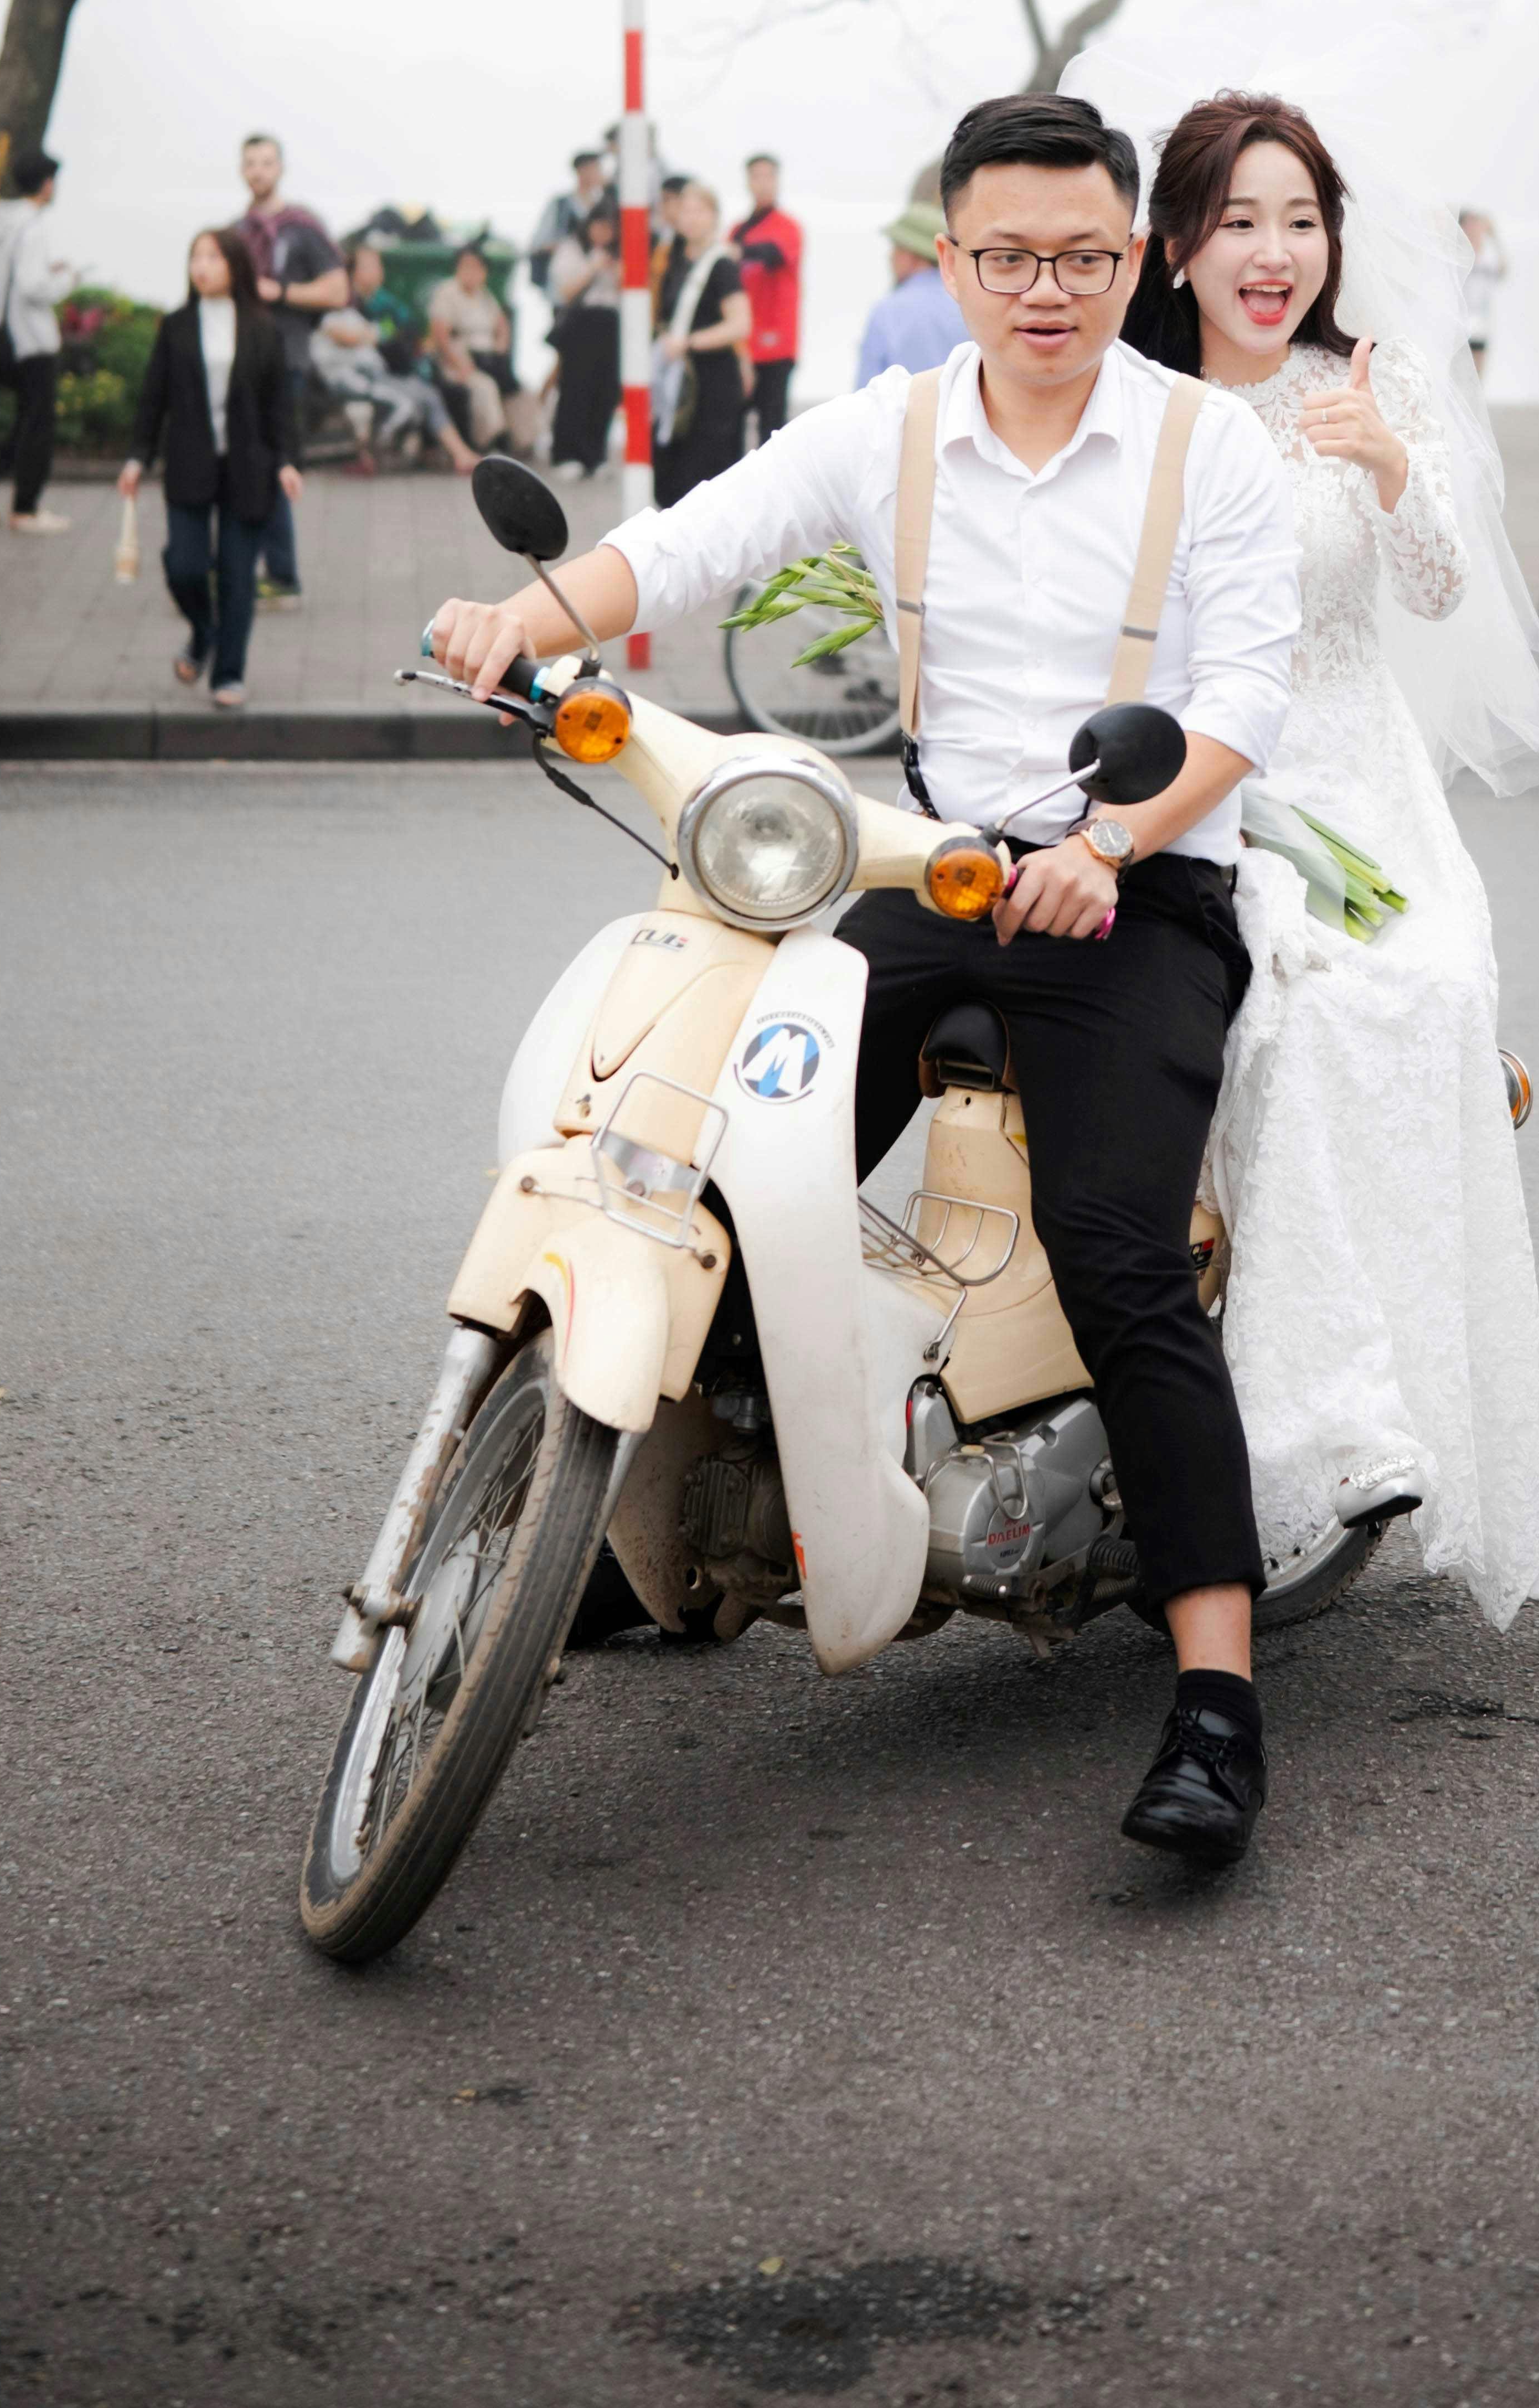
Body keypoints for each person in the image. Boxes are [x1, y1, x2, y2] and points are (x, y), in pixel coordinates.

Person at [430, 90, 1301, 1870]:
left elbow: (1242, 703)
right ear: (950, 260)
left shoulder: (1206, 449)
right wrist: (529, 622)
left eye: (1076, 257)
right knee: (710, 1172)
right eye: (1004, 256)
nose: (1039, 290)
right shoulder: (895, 430)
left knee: (1122, 1253)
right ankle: (621, 1532)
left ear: (1130, 259)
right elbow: (691, 537)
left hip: (1134, 892)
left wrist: (1112, 845)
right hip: (931, 869)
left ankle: (1215, 1694)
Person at [1125, 93, 1539, 1626]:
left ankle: (1379, 1408)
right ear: (1177, 245)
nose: (1272, 252)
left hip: (1348, 789)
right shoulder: (1132, 401)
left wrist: (1386, 463)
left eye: (1298, 220)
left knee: (1424, 984)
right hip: (1190, 777)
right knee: (1282, 1015)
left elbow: (1442, 597)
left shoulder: (1362, 388)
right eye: (1237, 221)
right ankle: (1308, 1419)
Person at [118, 228, 301, 711]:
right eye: (195, 257)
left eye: (213, 257)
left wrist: (285, 462)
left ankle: (229, 671)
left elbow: (279, 404)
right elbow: (153, 398)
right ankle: (203, 635)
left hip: (249, 467)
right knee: (184, 566)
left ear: (235, 266)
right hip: (189, 464)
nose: (202, 266)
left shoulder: (263, 328)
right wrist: (138, 457)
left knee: (238, 577)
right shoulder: (176, 325)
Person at [237, 137, 344, 603]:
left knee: (274, 461)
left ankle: (279, 573)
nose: (258, 171)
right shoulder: (236, 232)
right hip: (243, 359)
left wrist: (279, 293)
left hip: (288, 358)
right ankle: (257, 567)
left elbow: (338, 290)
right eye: (250, 163)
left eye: (266, 162)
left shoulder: (302, 227)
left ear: (280, 167)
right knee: (249, 460)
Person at [0, 146, 72, 533]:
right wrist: (66, 280)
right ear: (45, 184)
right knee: (39, 427)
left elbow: (4, 282)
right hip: (35, 340)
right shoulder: (35, 226)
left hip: (9, 334)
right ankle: (25, 510)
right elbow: (32, 287)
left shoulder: (3, 226)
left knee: (27, 421)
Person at [311, 243, 476, 474]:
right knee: (423, 393)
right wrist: (376, 334)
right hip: (357, 376)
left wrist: (378, 334)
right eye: (371, 266)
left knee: (436, 390)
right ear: (353, 271)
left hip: (388, 369)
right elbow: (350, 335)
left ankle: (452, 453)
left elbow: (402, 328)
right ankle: (450, 453)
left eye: (378, 265)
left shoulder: (384, 301)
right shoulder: (342, 303)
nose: (378, 270)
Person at [650, 179, 751, 505]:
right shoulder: (674, 261)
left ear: (714, 216)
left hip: (711, 384)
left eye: (700, 211)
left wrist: (690, 343)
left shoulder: (721, 265)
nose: (691, 218)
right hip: (676, 385)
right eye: (686, 211)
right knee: (669, 476)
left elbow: (740, 324)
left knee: (707, 481)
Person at [530, 150, 619, 474]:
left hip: (610, 323)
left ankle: (596, 455)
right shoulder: (568, 231)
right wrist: (593, 268)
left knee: (606, 390)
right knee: (574, 388)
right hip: (579, 322)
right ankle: (566, 452)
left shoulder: (617, 251)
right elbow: (562, 286)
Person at [734, 152, 803, 443]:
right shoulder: (737, 231)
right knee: (732, 425)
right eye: (756, 177)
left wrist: (740, 252)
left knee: (772, 429)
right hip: (742, 346)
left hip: (776, 346)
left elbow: (774, 254)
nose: (762, 184)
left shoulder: (788, 227)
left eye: (768, 177)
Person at [854, 201, 962, 385]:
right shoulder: (966, 303)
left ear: (912, 254)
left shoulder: (887, 311)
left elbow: (866, 395)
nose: (890, 257)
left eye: (896, 248)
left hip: (907, 413)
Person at [426, 246, 515, 452]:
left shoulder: (484, 296)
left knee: (518, 392)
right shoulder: (447, 293)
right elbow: (440, 335)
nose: (471, 273)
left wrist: (501, 347)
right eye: (466, 267)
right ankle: (490, 442)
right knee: (485, 388)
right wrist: (459, 364)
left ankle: (520, 441)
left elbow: (502, 325)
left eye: (477, 268)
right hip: (460, 360)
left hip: (489, 359)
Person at [1458, 209, 1507, 373]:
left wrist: (1494, 237)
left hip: (1480, 321)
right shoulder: (1459, 254)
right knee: (1458, 369)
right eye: (1470, 224)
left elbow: (1503, 270)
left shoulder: (1488, 257)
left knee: (1478, 369)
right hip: (1460, 320)